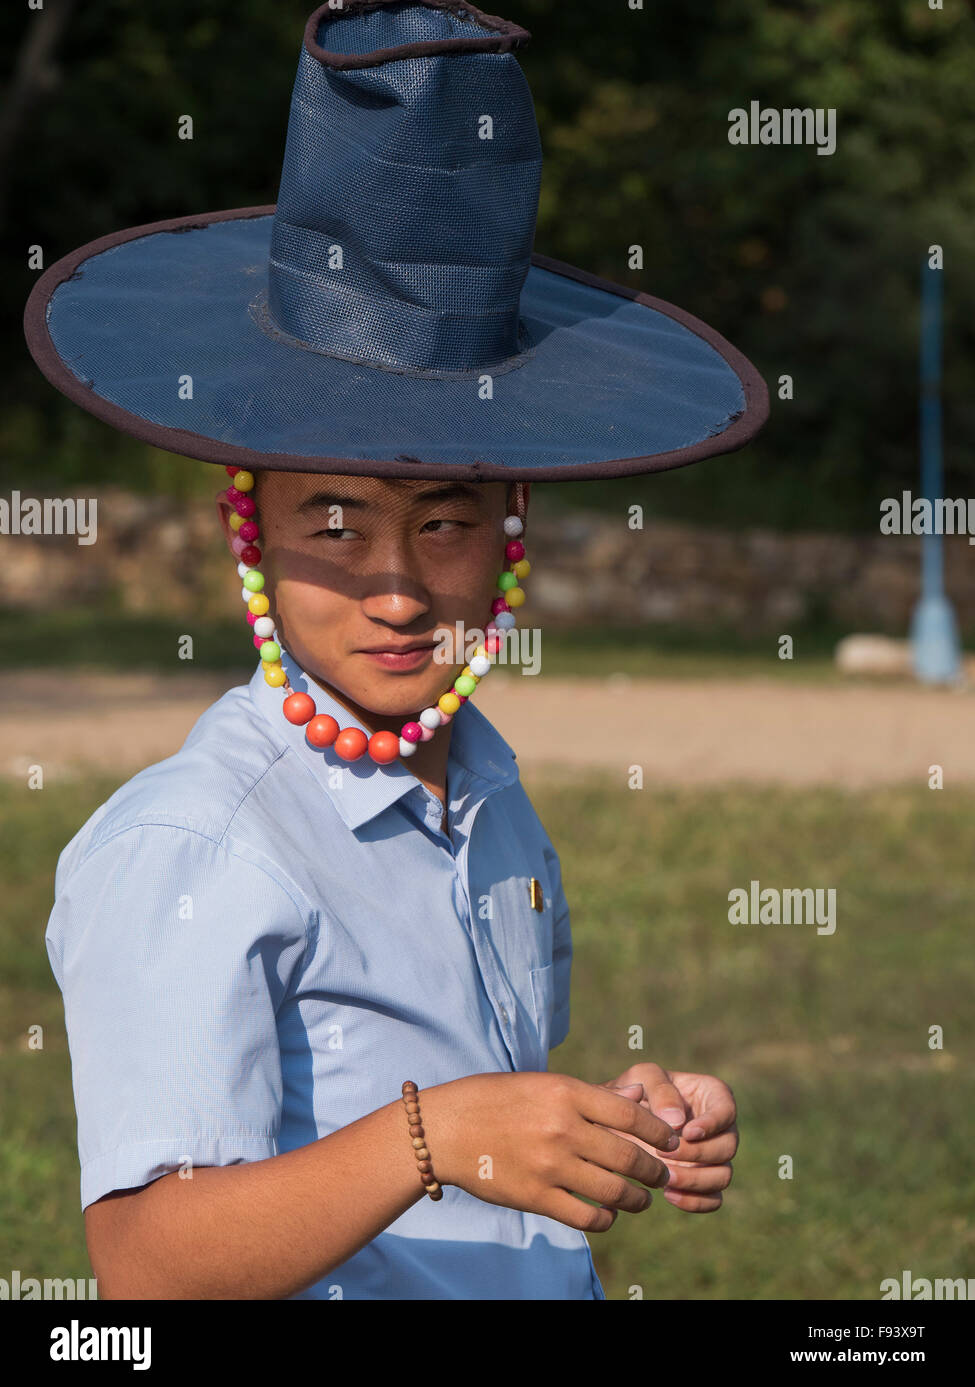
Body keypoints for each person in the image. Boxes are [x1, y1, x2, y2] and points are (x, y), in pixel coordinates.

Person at [27, 1, 761, 1300]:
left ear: (510, 527)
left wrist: (605, 1123)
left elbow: (477, 1095)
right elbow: (144, 1265)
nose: (397, 586)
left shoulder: (484, 784)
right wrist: (441, 1135)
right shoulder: (193, 848)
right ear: (245, 528)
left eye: (445, 523)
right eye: (333, 519)